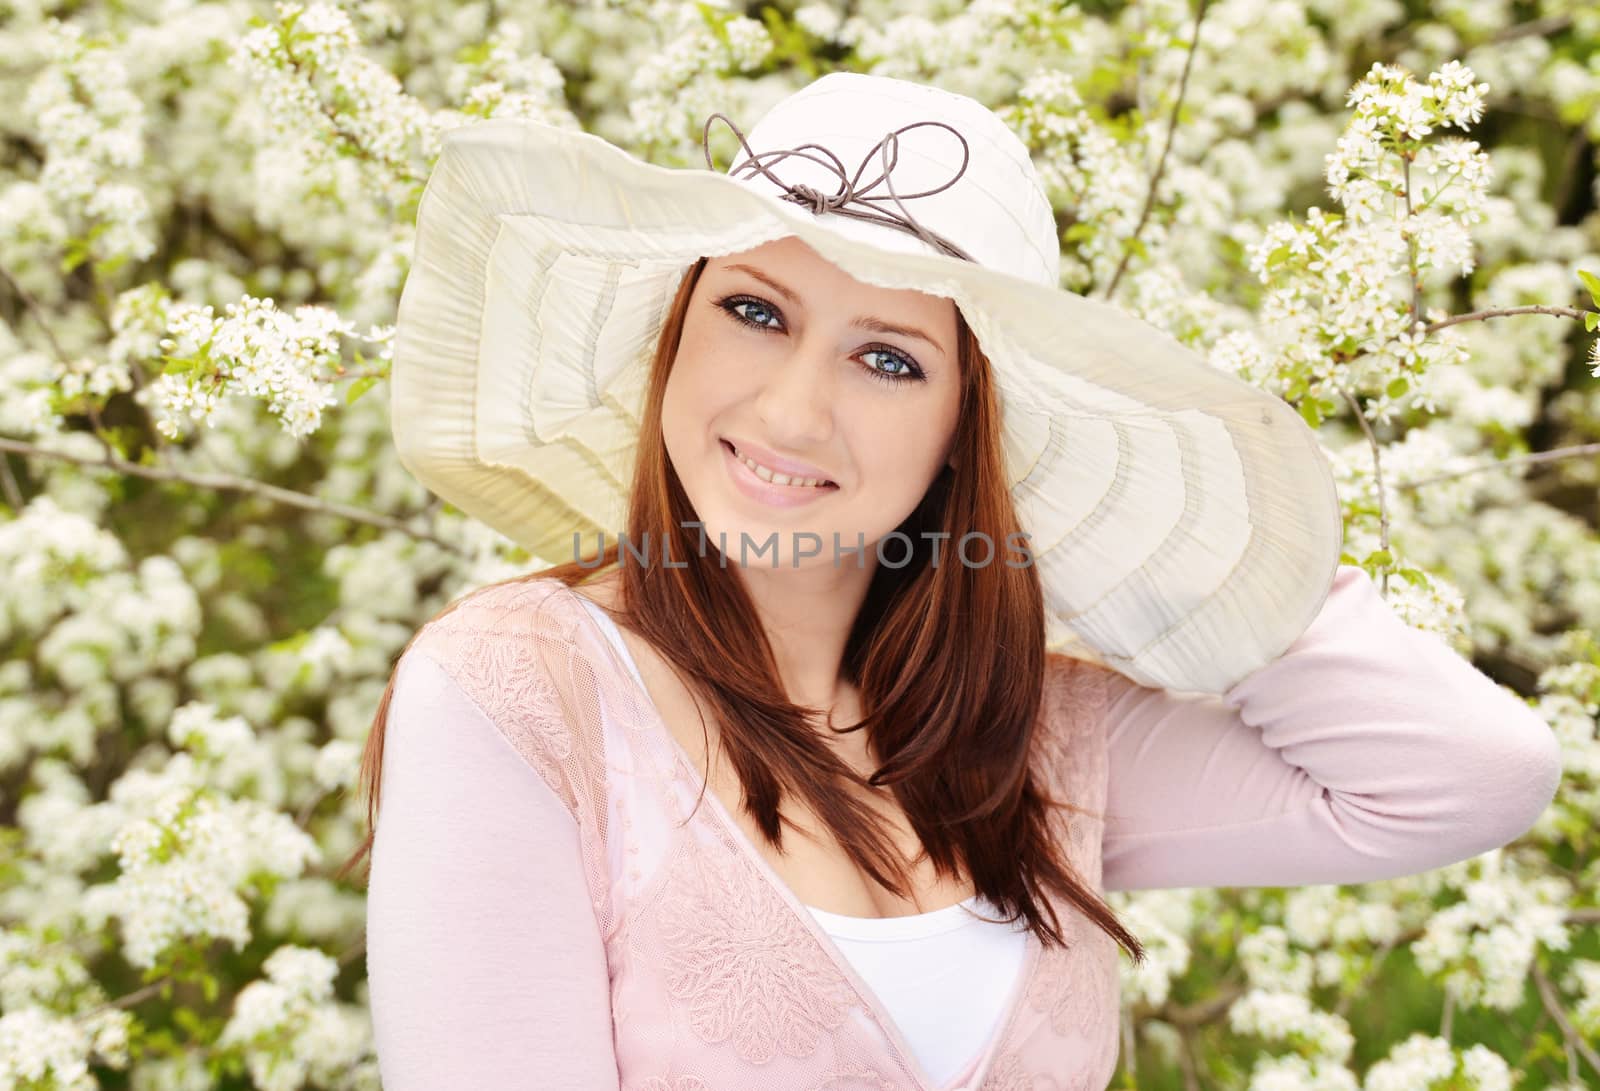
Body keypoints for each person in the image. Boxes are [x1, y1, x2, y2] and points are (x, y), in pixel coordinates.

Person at [346, 73, 1563, 1090]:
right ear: (674, 330)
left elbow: (1465, 773)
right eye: (753, 310)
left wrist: (1191, 543)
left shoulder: (1028, 734)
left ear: (963, 432)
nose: (790, 407)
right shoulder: (519, 693)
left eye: (888, 357)